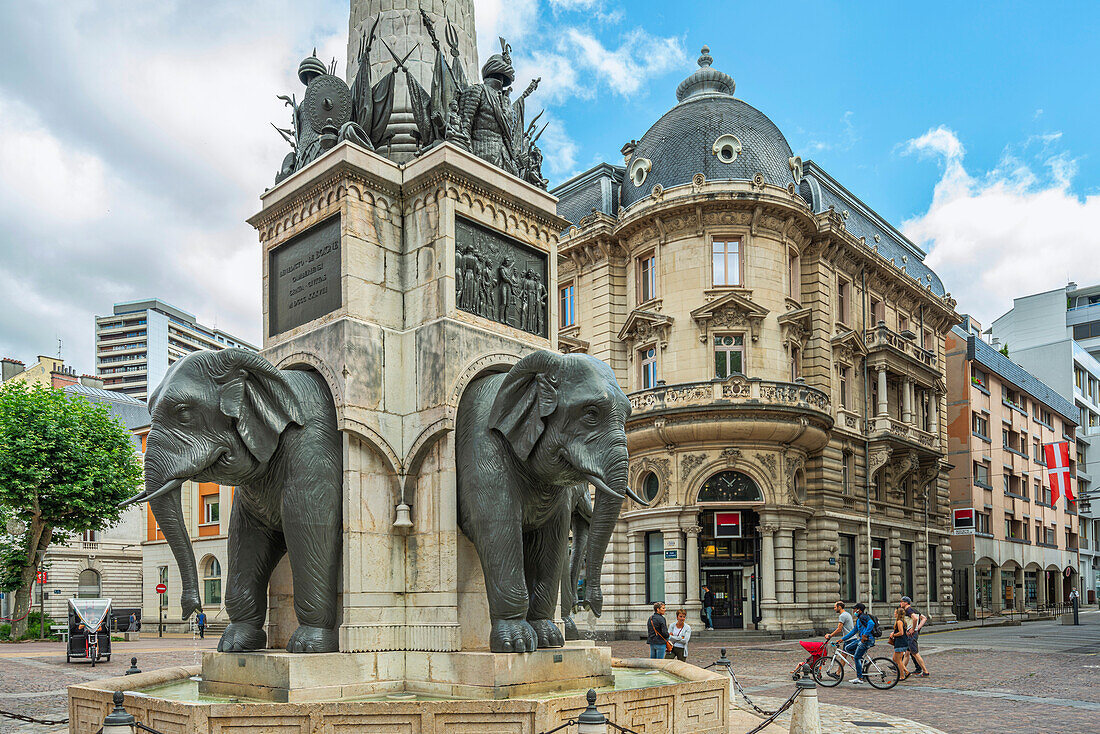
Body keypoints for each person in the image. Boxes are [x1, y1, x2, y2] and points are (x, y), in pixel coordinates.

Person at [840, 602, 875, 684]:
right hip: (862, 640)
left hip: (867, 640)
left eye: (855, 609)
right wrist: (842, 639)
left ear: (859, 610)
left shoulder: (863, 617)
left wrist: (865, 634)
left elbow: (871, 623)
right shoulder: (859, 619)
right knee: (847, 648)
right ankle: (863, 661)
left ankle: (860, 678)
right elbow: (853, 631)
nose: (853, 611)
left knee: (856, 657)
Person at [824, 601, 855, 676]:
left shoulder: (842, 616)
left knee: (854, 657)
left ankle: (862, 672)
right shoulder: (847, 614)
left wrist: (830, 635)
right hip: (849, 639)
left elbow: (839, 629)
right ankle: (838, 673)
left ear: (839, 607)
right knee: (843, 656)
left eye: (835, 607)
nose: (834, 609)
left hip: (849, 640)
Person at [899, 596, 929, 676]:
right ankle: (901, 671)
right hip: (912, 633)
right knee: (907, 653)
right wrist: (918, 627)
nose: (900, 603)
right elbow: (924, 618)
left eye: (901, 601)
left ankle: (925, 671)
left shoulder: (908, 610)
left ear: (906, 603)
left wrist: (913, 629)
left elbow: (915, 618)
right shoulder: (913, 610)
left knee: (915, 653)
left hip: (911, 634)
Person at [888, 607, 912, 681]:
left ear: (898, 614)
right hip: (902, 642)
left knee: (898, 660)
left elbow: (901, 632)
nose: (894, 614)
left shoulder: (899, 622)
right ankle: (906, 672)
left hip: (900, 642)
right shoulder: (902, 621)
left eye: (895, 612)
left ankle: (902, 676)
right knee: (895, 659)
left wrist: (893, 635)